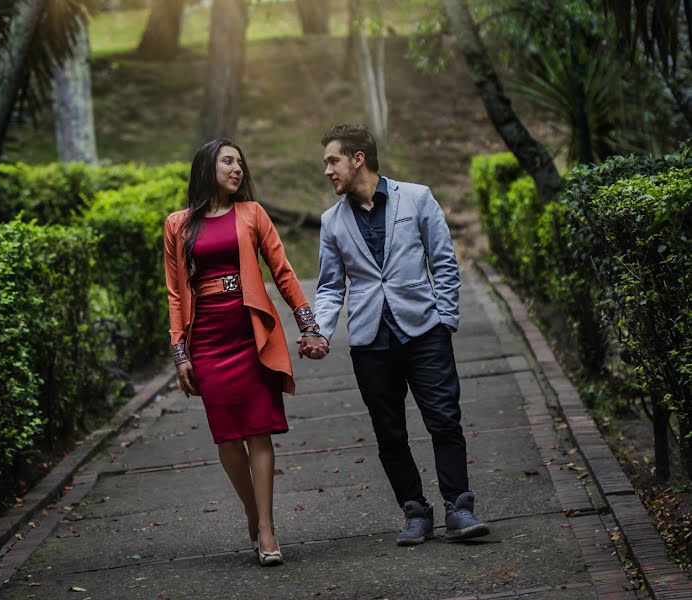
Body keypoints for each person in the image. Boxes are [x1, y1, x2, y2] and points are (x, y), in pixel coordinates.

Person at [299, 124, 490, 545]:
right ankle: (415, 511)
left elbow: (443, 262)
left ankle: (459, 507)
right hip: (370, 342)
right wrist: (320, 331)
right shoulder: (332, 222)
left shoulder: (417, 197)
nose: (327, 170)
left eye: (333, 160)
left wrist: (446, 320)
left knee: (444, 420)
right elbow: (331, 287)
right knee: (389, 432)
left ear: (357, 159)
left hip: (425, 332)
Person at [163, 138, 327, 565]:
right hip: (208, 340)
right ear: (206, 167)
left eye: (240, 163)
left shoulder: (252, 213)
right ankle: (253, 515)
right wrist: (180, 353)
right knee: (226, 437)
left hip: (250, 333)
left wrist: (307, 322)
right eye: (227, 161)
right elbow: (175, 295)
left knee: (259, 430)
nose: (237, 169)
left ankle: (268, 530)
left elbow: (282, 269)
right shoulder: (177, 225)